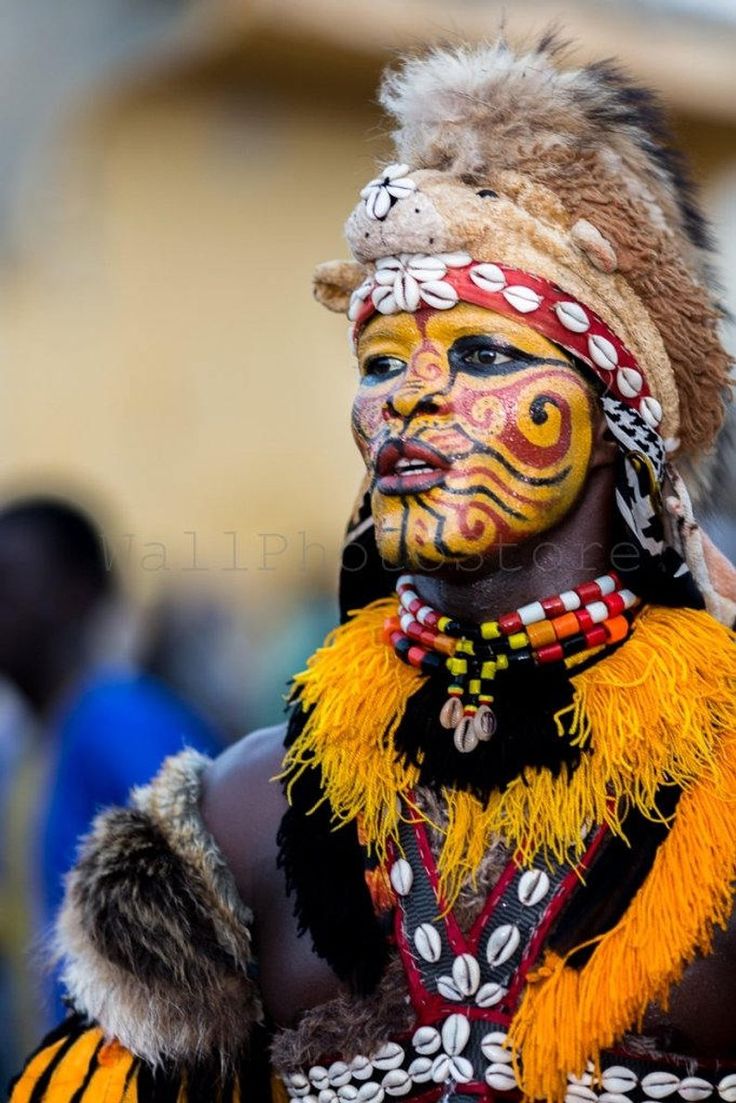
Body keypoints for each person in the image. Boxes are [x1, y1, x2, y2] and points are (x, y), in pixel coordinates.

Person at [10, 36, 736, 1103]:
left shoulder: (718, 772)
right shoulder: (240, 809)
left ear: (615, 415)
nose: (407, 394)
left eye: (483, 354)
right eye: (382, 358)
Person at [0, 497, 221, 1029]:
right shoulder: (37, 743)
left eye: (7, 581)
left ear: (78, 591)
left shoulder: (119, 718)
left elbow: (217, 896)